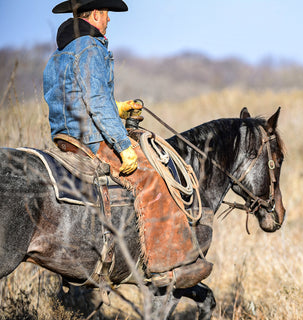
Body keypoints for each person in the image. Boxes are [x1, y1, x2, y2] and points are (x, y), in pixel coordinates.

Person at [43, 0, 212, 288]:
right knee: (154, 179)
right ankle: (163, 266)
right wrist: (123, 145)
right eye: (107, 15)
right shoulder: (90, 47)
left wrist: (117, 107)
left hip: (66, 137)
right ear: (95, 14)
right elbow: (95, 101)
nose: (109, 21)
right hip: (92, 139)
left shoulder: (60, 53)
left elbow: (75, 97)